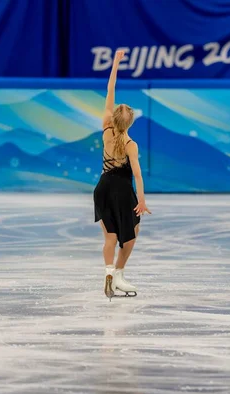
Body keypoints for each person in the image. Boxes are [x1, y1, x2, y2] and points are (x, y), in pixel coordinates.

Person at [94, 50, 151, 300]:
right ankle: (118, 273)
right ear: (129, 123)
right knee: (132, 233)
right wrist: (141, 200)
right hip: (122, 190)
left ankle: (108, 272)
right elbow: (137, 175)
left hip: (103, 188)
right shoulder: (131, 145)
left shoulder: (106, 127)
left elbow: (110, 91)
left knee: (110, 236)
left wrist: (115, 63)